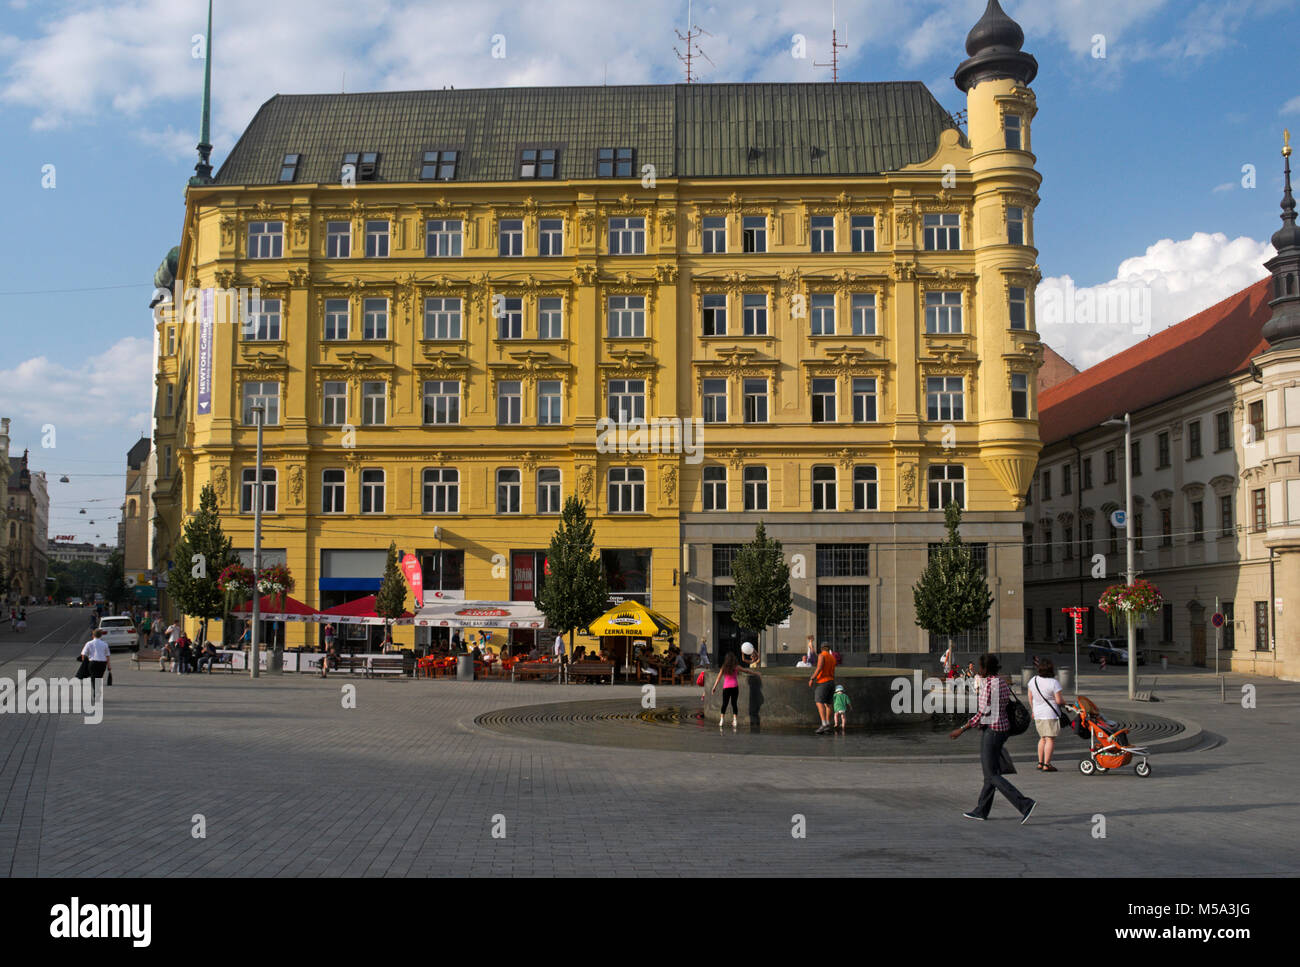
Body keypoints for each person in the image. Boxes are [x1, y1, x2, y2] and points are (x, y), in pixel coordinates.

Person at [949, 654, 1036, 824]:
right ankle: (982, 810)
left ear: (985, 669)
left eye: (981, 667)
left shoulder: (988, 685)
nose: (979, 670)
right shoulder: (1001, 681)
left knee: (992, 775)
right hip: (1003, 729)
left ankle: (1025, 804)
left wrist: (962, 729)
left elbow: (983, 713)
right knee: (991, 773)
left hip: (992, 731)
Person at [1029, 659, 1065, 772]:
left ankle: (1040, 762)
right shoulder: (1054, 683)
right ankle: (1047, 764)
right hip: (1050, 714)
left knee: (1042, 738)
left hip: (1038, 713)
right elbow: (1059, 701)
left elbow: (1030, 697)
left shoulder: (1033, 680)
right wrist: (1066, 704)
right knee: (1050, 739)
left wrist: (1033, 710)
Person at [808, 642, 837, 734]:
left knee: (819, 702)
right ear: (829, 648)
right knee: (828, 703)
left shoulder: (822, 656)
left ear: (821, 648)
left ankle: (824, 724)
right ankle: (828, 723)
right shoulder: (832, 657)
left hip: (823, 682)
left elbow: (819, 667)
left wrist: (812, 678)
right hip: (832, 681)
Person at [710, 652, 744, 731]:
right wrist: (755, 673)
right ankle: (735, 720)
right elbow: (746, 671)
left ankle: (721, 720)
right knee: (734, 703)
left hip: (726, 688)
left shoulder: (723, 667)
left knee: (724, 704)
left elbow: (718, 678)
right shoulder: (736, 667)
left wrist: (714, 687)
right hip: (735, 687)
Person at [80, 629, 111, 700]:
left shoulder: (89, 643)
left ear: (93, 635)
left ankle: (96, 692)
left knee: (93, 678)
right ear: (101, 636)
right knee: (99, 678)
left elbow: (83, 654)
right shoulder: (105, 644)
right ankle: (97, 691)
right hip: (102, 663)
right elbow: (107, 656)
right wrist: (109, 665)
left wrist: (84, 662)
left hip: (93, 663)